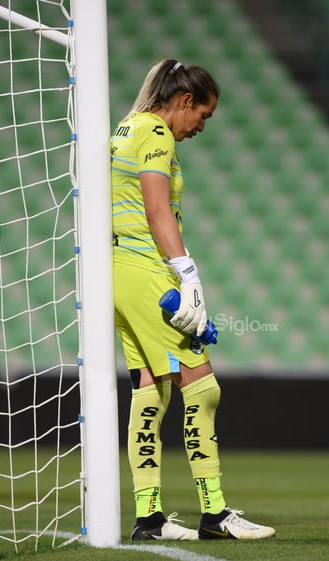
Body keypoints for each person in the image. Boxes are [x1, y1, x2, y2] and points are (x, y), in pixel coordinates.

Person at [110, 58, 276, 541]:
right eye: (202, 114)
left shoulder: (125, 128)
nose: (201, 125)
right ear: (183, 101)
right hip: (144, 270)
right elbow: (157, 209)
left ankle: (149, 518)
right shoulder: (157, 133)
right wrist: (188, 275)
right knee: (202, 388)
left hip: (117, 273)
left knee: (150, 390)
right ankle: (215, 514)